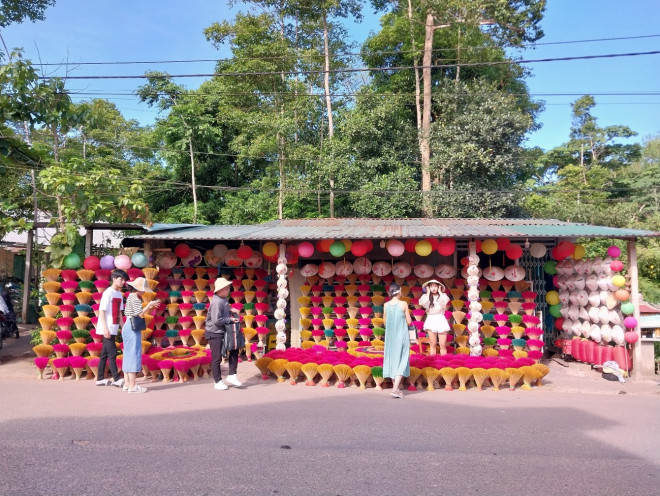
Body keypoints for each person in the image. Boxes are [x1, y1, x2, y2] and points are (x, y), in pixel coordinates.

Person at [122, 277, 160, 393]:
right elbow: (139, 314)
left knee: (128, 354)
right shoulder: (136, 299)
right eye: (143, 289)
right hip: (133, 327)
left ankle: (127, 383)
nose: (144, 292)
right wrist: (149, 305)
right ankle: (133, 386)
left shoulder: (130, 296)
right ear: (139, 289)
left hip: (127, 326)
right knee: (133, 354)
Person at [206, 277, 243, 390]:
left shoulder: (223, 299)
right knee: (216, 357)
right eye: (227, 288)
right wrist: (230, 320)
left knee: (234, 349)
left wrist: (231, 309)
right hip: (214, 332)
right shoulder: (217, 302)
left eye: (228, 288)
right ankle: (217, 381)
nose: (228, 290)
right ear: (220, 290)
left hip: (223, 330)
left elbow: (223, 312)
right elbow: (217, 320)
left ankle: (232, 375)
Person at [96, 269, 127, 387]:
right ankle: (116, 378)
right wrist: (105, 328)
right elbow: (102, 311)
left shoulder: (119, 294)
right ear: (114, 279)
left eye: (124, 279)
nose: (123, 282)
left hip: (113, 327)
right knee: (112, 352)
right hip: (107, 327)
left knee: (104, 353)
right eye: (121, 279)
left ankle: (100, 378)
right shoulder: (107, 293)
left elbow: (119, 312)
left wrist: (123, 327)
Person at [382, 282, 412, 399]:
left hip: (390, 337)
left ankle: (397, 388)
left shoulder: (386, 305)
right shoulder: (403, 303)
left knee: (393, 360)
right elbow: (409, 322)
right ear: (399, 292)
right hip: (401, 336)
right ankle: (395, 389)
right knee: (403, 359)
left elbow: (384, 322)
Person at [418, 279, 451, 355]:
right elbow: (423, 304)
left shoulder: (443, 296)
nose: (433, 288)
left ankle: (444, 361)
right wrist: (428, 293)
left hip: (440, 319)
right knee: (433, 343)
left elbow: (444, 302)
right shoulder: (425, 296)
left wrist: (440, 292)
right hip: (431, 319)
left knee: (442, 344)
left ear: (439, 287)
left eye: (435, 286)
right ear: (429, 287)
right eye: (431, 286)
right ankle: (433, 362)